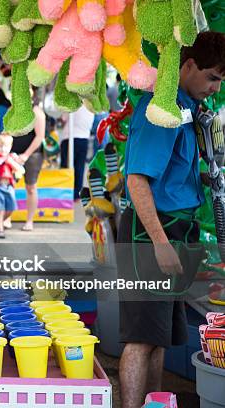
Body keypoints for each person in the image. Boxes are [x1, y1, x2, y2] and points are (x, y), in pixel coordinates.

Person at [116, 31, 224, 408]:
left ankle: (155, 403)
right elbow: (136, 179)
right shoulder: (161, 110)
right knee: (141, 336)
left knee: (159, 335)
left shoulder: (185, 108)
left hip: (174, 228)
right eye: (212, 77)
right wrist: (160, 243)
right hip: (152, 231)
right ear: (189, 65)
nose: (214, 88)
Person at [8, 89, 46, 231]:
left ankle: (29, 221)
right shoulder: (13, 109)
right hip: (13, 153)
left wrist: (25, 155)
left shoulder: (36, 111)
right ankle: (6, 218)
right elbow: (8, 129)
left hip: (32, 155)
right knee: (7, 185)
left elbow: (39, 136)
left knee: (31, 187)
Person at [60, 105, 95, 200]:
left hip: (69, 138)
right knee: (80, 167)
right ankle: (77, 194)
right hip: (84, 139)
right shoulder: (91, 105)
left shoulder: (72, 102)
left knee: (66, 167)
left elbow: (63, 118)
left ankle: (65, 192)